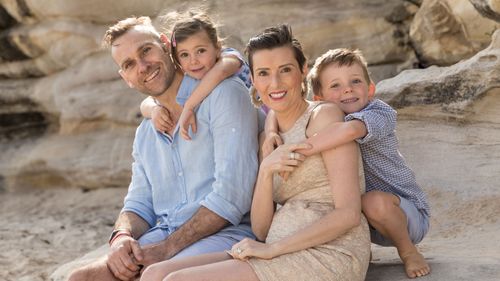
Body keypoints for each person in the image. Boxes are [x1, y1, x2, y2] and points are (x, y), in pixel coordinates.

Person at [139, 24, 370, 281]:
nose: (275, 83)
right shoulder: (266, 137)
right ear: (253, 79)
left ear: (303, 71)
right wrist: (266, 171)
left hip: (328, 252)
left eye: (285, 70)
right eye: (263, 73)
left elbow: (349, 214)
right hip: (275, 247)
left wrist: (272, 249)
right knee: (154, 273)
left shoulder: (323, 117)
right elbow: (261, 229)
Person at [68, 15, 260, 281]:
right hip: (166, 233)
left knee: (155, 276)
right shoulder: (146, 132)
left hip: (228, 232)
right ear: (126, 77)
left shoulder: (224, 94)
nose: (143, 66)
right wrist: (121, 237)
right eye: (130, 64)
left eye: (145, 51)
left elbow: (232, 198)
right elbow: (139, 204)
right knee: (82, 278)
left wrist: (166, 248)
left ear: (165, 45)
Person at [264, 48, 431, 278]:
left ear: (370, 88)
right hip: (364, 218)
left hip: (404, 212)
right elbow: (274, 111)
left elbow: (350, 131)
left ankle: (408, 251)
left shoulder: (378, 113)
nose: (347, 89)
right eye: (335, 86)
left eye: (355, 81)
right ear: (319, 99)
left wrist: (297, 152)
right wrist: (271, 131)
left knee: (371, 202)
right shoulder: (324, 115)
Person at [139, 8, 253, 140]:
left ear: (217, 47)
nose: (193, 61)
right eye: (184, 54)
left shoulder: (229, 58)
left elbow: (220, 73)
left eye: (200, 51)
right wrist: (154, 110)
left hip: (266, 119)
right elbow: (148, 101)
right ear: (176, 58)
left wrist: (189, 107)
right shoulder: (191, 76)